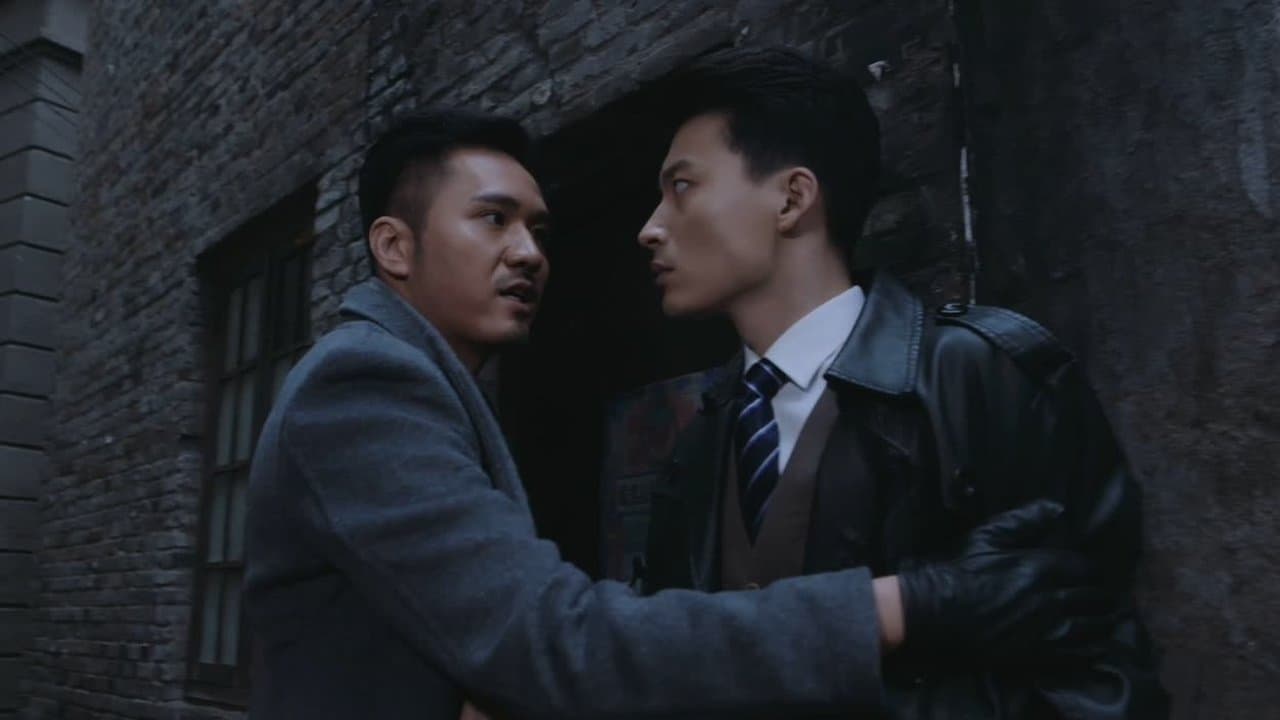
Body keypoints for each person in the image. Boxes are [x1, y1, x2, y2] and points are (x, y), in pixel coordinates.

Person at [244, 109, 1108, 719]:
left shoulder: (977, 368)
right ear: (394, 247)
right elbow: (554, 643)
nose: (529, 253)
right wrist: (907, 606)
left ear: (794, 200)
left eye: (537, 229)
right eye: (493, 220)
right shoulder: (366, 383)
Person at [637, 46, 1168, 717]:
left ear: (792, 198)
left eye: (682, 186)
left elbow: (1100, 677)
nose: (650, 228)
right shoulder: (701, 443)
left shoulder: (976, 374)